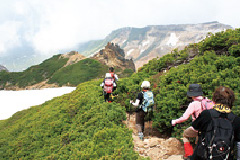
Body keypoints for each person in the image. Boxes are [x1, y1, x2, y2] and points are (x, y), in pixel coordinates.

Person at [191, 86, 240, 160]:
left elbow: (195, 126)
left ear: (214, 99)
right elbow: (238, 143)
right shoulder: (236, 119)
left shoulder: (206, 114)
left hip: (203, 157)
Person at [171, 84, 207, 158]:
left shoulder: (193, 104)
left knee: (185, 134)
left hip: (198, 128)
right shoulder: (207, 101)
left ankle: (189, 154)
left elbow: (185, 117)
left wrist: (175, 121)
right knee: (199, 141)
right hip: (209, 128)